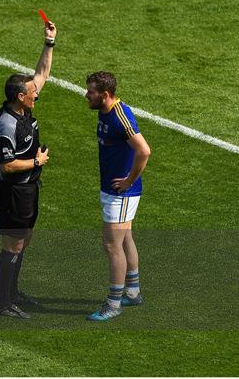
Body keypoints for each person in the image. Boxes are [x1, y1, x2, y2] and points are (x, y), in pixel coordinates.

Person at [0, 20, 57, 319]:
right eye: (32, 91)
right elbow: (7, 164)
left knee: (24, 240)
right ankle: (5, 304)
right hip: (14, 191)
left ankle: (14, 293)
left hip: (30, 188)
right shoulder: (7, 124)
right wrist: (35, 162)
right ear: (20, 96)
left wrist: (49, 42)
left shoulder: (25, 107)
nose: (37, 91)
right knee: (13, 245)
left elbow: (43, 73)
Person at [84, 71, 151, 322]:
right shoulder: (106, 112)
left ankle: (113, 304)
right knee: (125, 240)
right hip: (114, 190)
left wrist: (128, 181)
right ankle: (132, 292)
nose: (86, 95)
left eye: (91, 91)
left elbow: (144, 151)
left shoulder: (119, 118)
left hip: (120, 193)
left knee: (112, 245)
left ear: (105, 94)